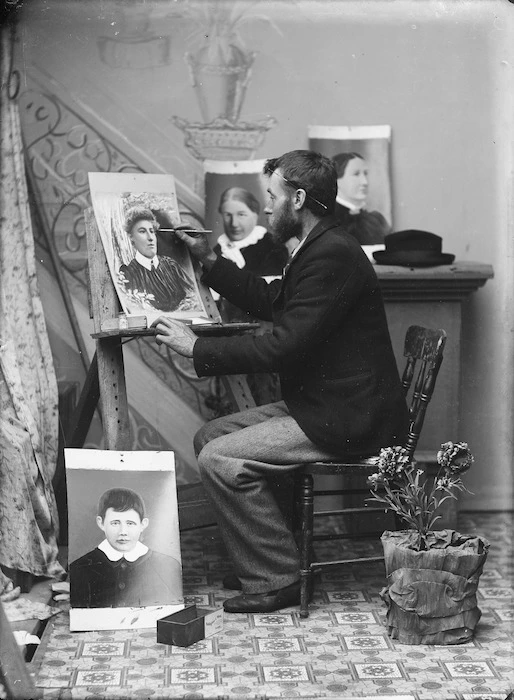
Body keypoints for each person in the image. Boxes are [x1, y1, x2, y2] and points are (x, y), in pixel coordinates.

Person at [151, 149, 409, 615]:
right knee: (211, 434)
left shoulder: (331, 253)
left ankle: (278, 577)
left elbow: (285, 346)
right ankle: (266, 556)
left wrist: (196, 348)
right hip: (329, 403)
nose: (267, 207)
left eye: (273, 196)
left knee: (220, 457)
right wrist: (209, 260)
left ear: (299, 198)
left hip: (348, 415)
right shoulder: (318, 244)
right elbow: (274, 301)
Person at [69, 488, 182, 608]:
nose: (123, 532)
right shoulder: (79, 568)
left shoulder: (168, 565)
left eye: (130, 523)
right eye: (115, 523)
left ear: (143, 524)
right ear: (101, 523)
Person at [119, 207, 198, 312]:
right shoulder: (129, 273)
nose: (150, 237)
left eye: (152, 231)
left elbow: (193, 295)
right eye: (142, 231)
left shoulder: (170, 265)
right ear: (131, 237)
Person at [215, 187, 289, 277]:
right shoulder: (220, 247)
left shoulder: (274, 249)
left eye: (241, 215)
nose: (234, 223)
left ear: (255, 215)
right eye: (228, 215)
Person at [332, 152, 392, 244]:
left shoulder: (377, 220)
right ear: (337, 180)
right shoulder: (328, 219)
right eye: (356, 174)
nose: (365, 182)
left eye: (365, 174)